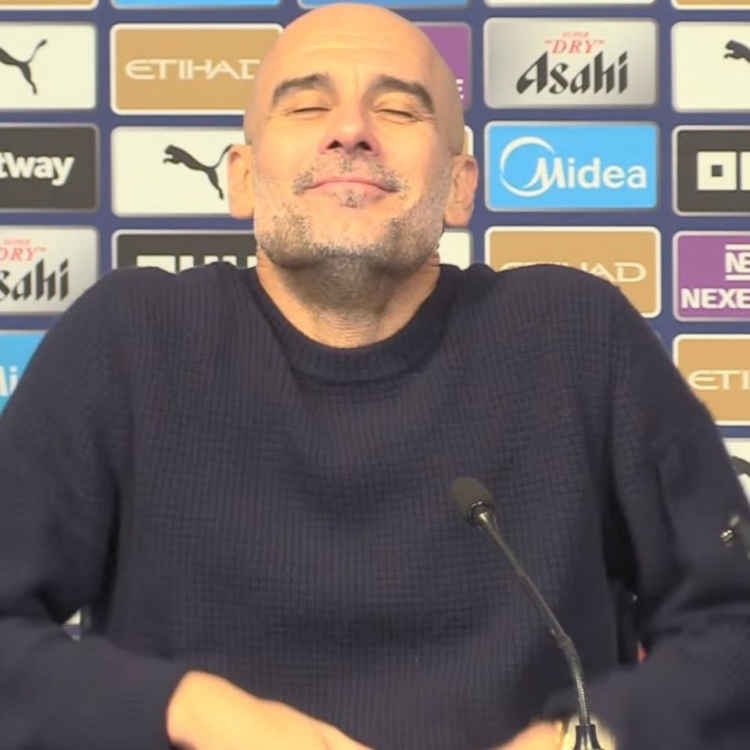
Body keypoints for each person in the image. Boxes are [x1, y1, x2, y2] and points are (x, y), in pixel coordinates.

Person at [1, 4, 750, 749]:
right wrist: (193, 713)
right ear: (241, 179)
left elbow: (732, 625)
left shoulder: (577, 335)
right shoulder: (131, 338)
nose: (351, 130)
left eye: (397, 109)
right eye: (307, 105)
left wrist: (584, 739)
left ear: (459, 185)